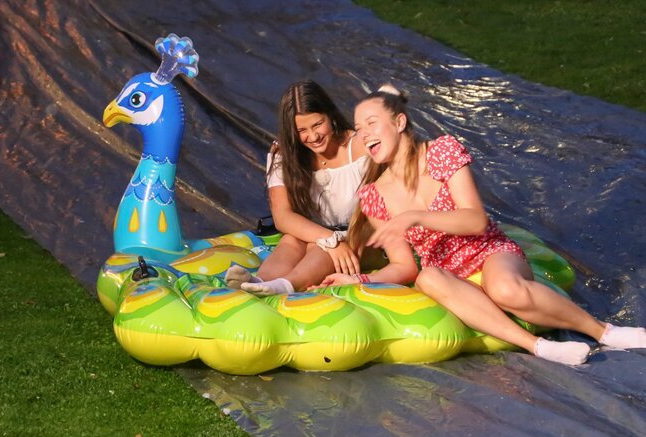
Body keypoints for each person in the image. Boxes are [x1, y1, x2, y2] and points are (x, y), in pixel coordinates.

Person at [317, 84, 646, 365]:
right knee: (427, 277)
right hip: (449, 274)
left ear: (399, 122)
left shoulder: (441, 152)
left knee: (504, 288)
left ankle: (604, 332)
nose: (363, 133)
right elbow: (404, 266)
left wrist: (414, 217)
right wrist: (358, 279)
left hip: (489, 252)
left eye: (371, 123)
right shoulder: (374, 195)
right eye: (358, 128)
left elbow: (475, 220)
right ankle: (539, 347)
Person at [224, 80, 370, 295]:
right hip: (317, 233)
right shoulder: (284, 153)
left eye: (318, 124)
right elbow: (282, 217)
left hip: (359, 235)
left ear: (330, 115)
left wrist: (333, 242)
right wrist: (329, 239)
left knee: (318, 247)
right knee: (291, 240)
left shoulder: (358, 146)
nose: (313, 136)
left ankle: (285, 285)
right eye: (302, 130)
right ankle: (259, 281)